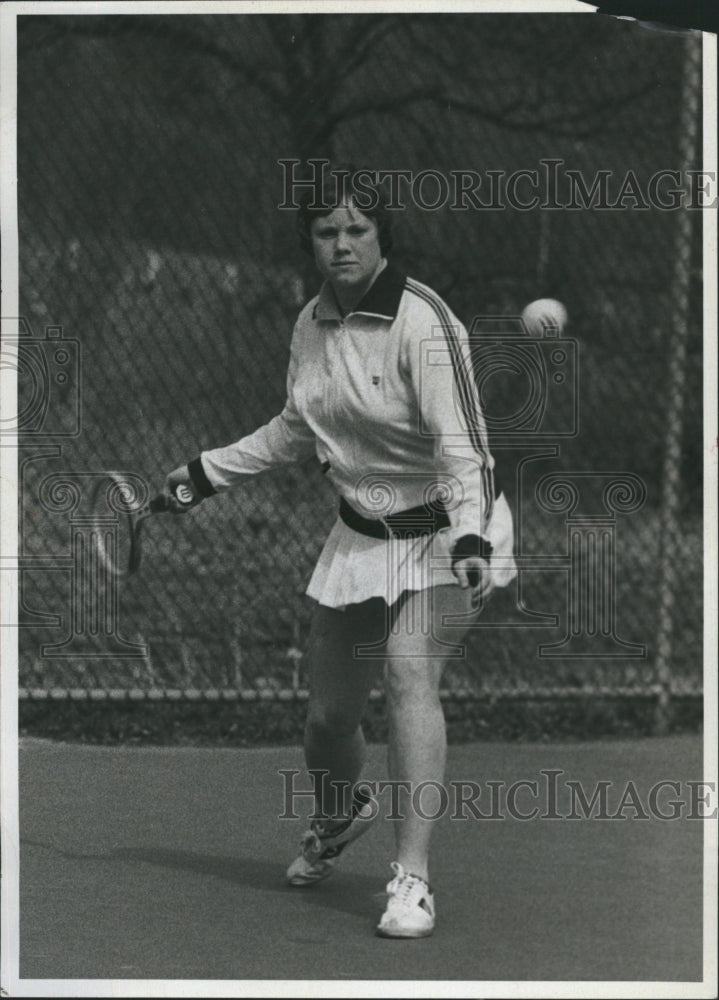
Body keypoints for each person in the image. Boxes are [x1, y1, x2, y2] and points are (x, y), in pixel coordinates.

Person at [164, 165, 516, 939]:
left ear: (383, 236)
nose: (342, 242)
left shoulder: (423, 321)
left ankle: (412, 881)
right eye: (327, 231)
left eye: (357, 229)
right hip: (361, 539)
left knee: (407, 671)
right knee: (329, 719)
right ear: (311, 243)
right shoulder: (310, 324)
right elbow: (297, 427)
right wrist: (200, 477)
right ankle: (337, 816)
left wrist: (467, 536)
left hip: (449, 537)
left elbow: (466, 447)